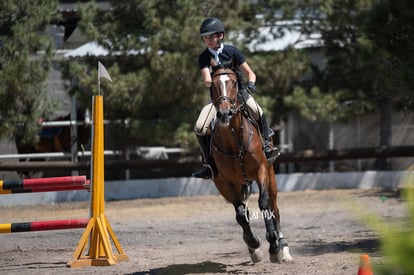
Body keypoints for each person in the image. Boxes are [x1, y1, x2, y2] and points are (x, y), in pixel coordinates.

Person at [192, 17, 279, 179]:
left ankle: (266, 145)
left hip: (239, 94)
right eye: (205, 37)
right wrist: (212, 77)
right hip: (218, 99)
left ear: (221, 36)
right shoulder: (204, 57)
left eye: (212, 36)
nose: (208, 40)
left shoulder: (233, 52)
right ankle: (209, 164)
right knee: (199, 127)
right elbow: (207, 80)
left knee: (257, 111)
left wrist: (251, 84)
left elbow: (251, 73)